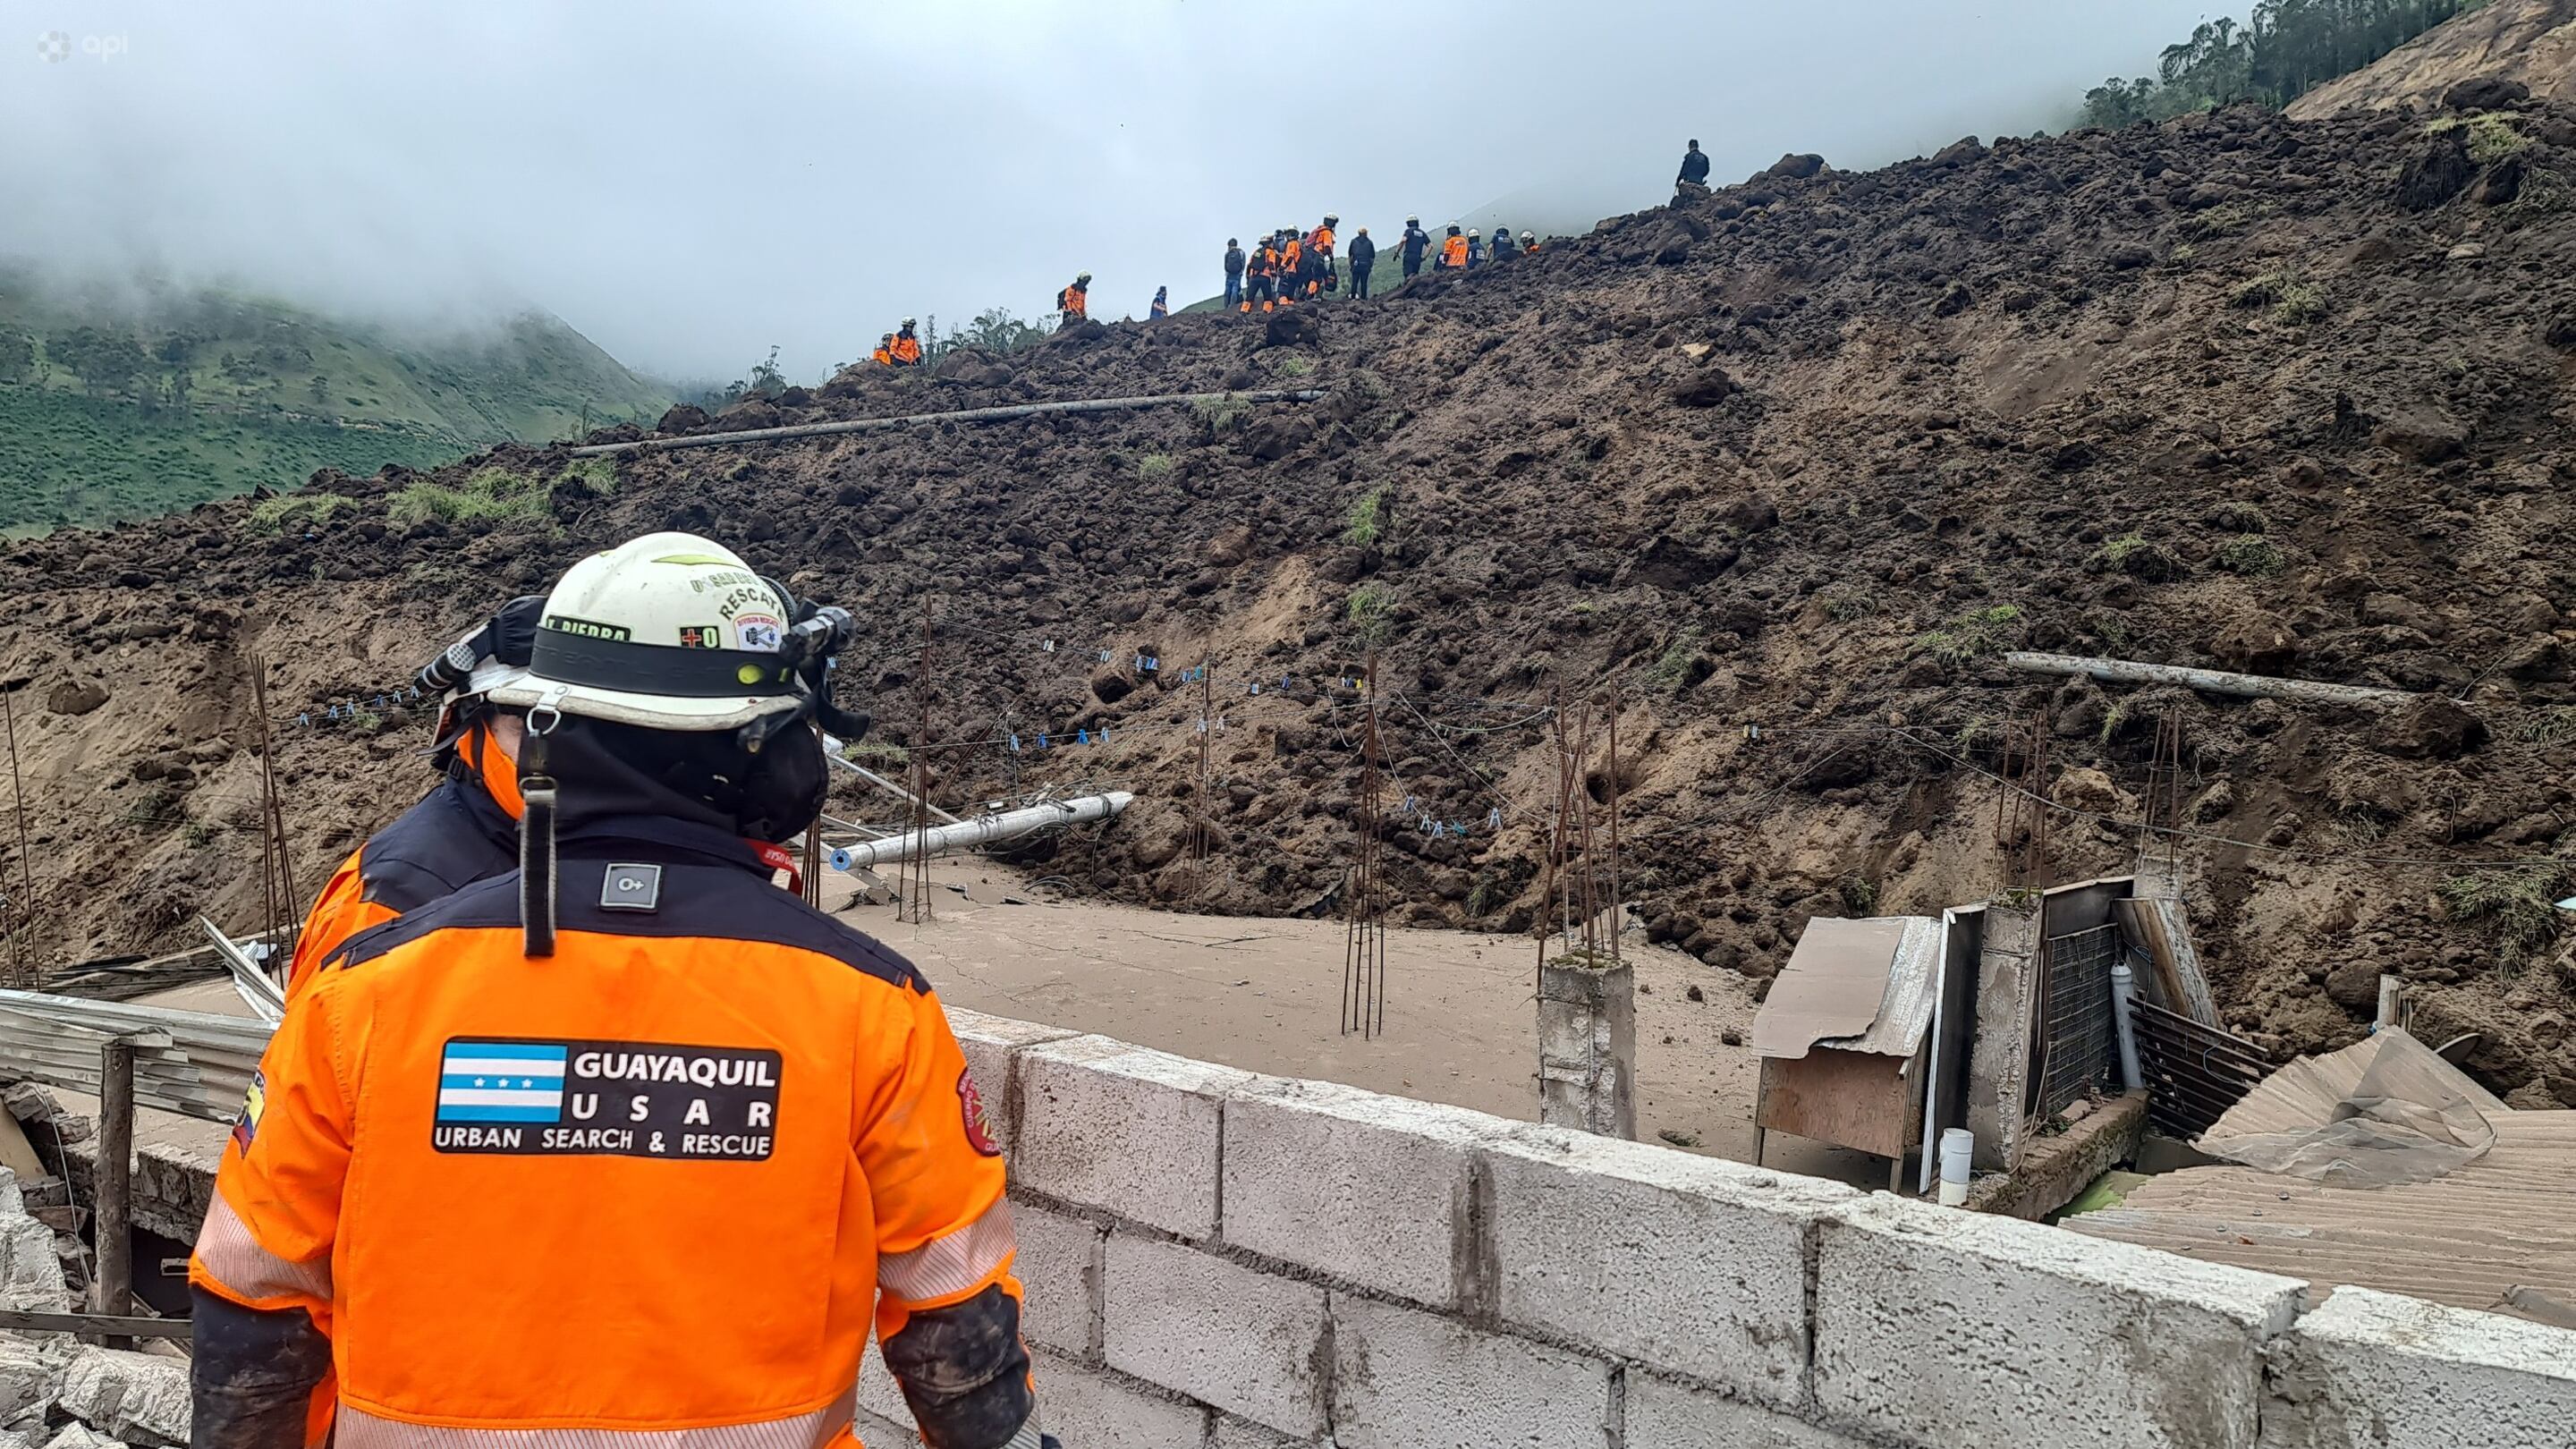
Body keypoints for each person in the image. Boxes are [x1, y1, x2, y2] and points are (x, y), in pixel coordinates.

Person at [189, 531, 1055, 1449]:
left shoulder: (365, 992)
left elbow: (253, 1303)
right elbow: (953, 1327)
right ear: (763, 755)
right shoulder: (869, 1004)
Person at [284, 597, 540, 1003]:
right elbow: (323, 1055)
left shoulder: (592, 852)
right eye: (530, 725)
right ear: (465, 732)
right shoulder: (392, 896)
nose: (561, 754)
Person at [1348, 226, 1376, 300]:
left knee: (1354, 282)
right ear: (1366, 233)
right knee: (1364, 283)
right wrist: (1370, 266)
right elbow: (1372, 256)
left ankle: (1353, 297)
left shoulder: (1354, 241)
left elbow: (1350, 254)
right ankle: (1363, 298)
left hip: (1356, 264)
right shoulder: (1369, 243)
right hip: (1366, 265)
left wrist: (1351, 265)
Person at [1401, 216, 1431, 281]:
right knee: (1415, 276)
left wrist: (1396, 252)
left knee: (1408, 276)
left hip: (1408, 256)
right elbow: (1430, 246)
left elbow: (1403, 240)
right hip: (1417, 257)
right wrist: (1424, 257)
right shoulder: (1422, 233)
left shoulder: (1409, 231)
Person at [1224, 237, 1245, 309]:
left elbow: (1225, 263)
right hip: (1237, 274)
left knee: (1227, 290)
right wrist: (1241, 271)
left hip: (1229, 274)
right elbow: (1243, 262)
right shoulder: (1241, 252)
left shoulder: (1227, 253)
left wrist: (1226, 271)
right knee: (1235, 290)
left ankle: (1226, 306)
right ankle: (1232, 306)